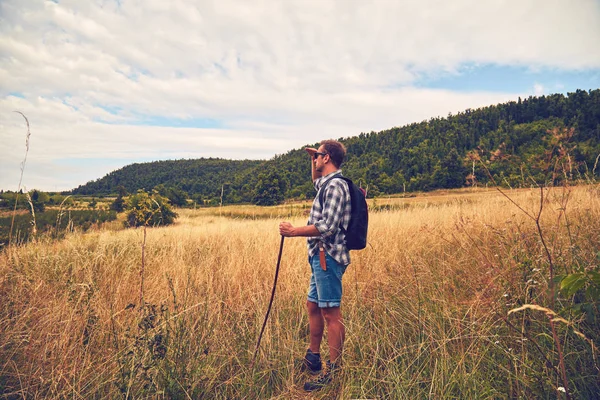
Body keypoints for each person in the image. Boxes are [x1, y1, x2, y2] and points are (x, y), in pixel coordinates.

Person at [279, 139, 351, 392]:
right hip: (319, 256)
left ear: (327, 158)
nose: (315, 159)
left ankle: (332, 371)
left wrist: (293, 231)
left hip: (327, 256)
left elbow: (328, 227)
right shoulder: (326, 184)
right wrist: (313, 159)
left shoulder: (336, 187)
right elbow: (315, 181)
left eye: (318, 155)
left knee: (331, 313)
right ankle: (313, 356)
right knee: (313, 305)